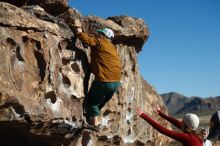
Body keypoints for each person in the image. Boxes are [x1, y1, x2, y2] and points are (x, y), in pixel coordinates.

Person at [73, 20, 121, 132]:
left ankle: (95, 125)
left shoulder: (100, 42)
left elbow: (88, 40)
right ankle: (92, 116)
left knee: (91, 101)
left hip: (104, 81)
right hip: (116, 82)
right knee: (99, 103)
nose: (98, 34)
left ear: (104, 36)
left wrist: (79, 31)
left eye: (100, 33)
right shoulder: (113, 48)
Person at [135, 106, 203, 146]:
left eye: (183, 121)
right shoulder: (195, 135)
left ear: (186, 125)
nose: (181, 121)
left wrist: (143, 115)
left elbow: (164, 131)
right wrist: (160, 113)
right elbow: (176, 122)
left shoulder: (187, 137)